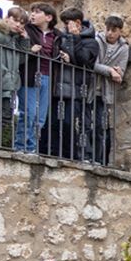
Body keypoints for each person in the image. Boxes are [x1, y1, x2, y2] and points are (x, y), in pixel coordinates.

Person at [48, 9, 98, 160]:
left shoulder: (91, 42)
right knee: (55, 123)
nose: (65, 26)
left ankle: (77, 156)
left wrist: (75, 38)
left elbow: (84, 60)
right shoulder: (60, 37)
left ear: (77, 22)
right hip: (58, 87)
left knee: (72, 124)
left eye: (67, 23)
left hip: (77, 89)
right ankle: (57, 153)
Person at [17, 3, 58, 153]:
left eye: (37, 12)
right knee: (28, 113)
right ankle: (21, 147)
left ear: (48, 17)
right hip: (30, 75)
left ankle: (32, 148)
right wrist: (30, 49)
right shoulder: (27, 30)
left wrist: (65, 55)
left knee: (40, 118)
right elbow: (18, 46)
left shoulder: (57, 35)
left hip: (48, 77)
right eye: (32, 11)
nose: (32, 14)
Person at [0, 8, 27, 149]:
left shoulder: (13, 40)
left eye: (22, 23)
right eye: (15, 20)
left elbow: (20, 60)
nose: (18, 25)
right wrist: (3, 71)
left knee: (5, 116)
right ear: (7, 18)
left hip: (8, 84)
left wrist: (25, 41)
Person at [91, 15, 129, 165]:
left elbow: (121, 73)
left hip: (107, 93)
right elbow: (92, 64)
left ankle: (101, 160)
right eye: (108, 29)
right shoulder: (97, 41)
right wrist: (110, 71)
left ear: (120, 31)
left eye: (114, 30)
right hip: (91, 88)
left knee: (103, 127)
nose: (110, 33)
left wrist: (116, 72)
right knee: (90, 124)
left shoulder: (124, 48)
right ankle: (91, 158)